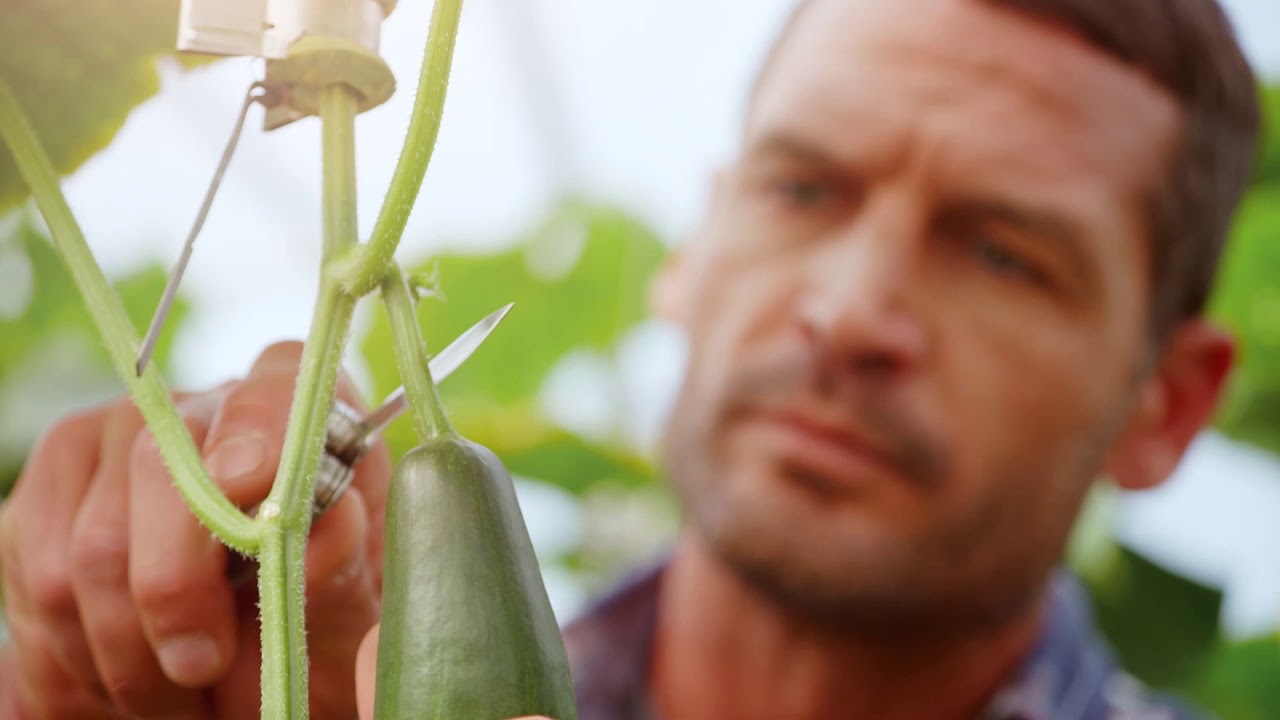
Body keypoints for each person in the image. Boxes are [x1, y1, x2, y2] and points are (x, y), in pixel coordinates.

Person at [0, 0, 1263, 716]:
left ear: (1165, 405)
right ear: (690, 254)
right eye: (801, 191)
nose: (848, 311)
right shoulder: (347, 674)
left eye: (1002, 255)